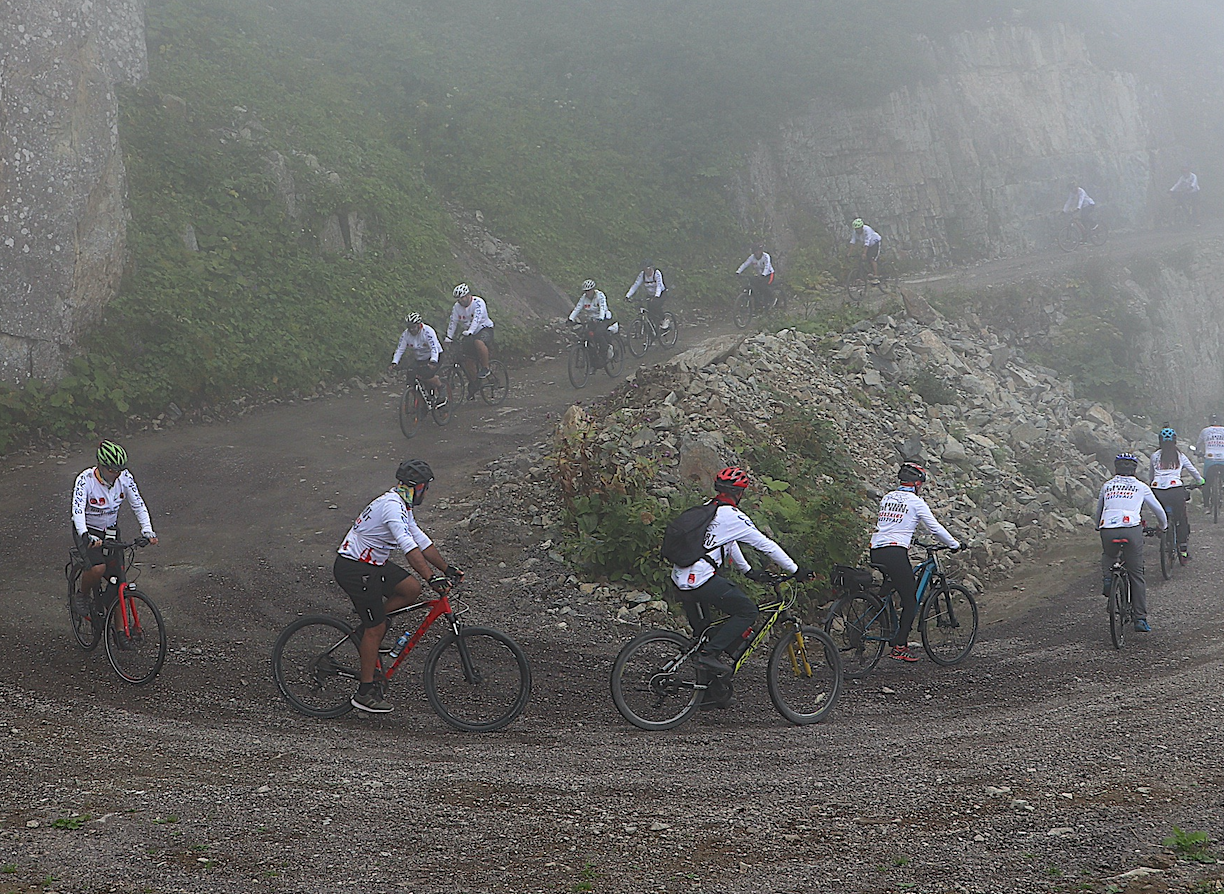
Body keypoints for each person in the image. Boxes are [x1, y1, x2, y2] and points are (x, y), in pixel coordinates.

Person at [333, 459, 463, 713]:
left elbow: (421, 540)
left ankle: (367, 633)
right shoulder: (391, 507)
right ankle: (364, 692)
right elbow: (408, 547)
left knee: (410, 589)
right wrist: (431, 577)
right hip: (354, 568)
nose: (427, 493)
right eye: (426, 487)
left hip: (371, 564)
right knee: (376, 626)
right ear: (418, 487)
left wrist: (445, 569)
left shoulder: (402, 504)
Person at [670, 466, 811, 676]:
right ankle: (708, 655)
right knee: (747, 611)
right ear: (740, 493)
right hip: (699, 579)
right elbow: (767, 545)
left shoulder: (708, 509)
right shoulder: (734, 516)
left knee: (705, 633)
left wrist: (747, 570)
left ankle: (712, 691)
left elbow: (727, 541)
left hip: (680, 577)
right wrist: (796, 569)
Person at [869, 462, 961, 663]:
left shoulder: (887, 497)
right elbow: (935, 529)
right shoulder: (916, 502)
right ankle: (899, 646)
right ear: (917, 484)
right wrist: (954, 544)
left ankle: (880, 608)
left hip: (876, 550)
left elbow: (893, 523)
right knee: (911, 599)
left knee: (899, 581)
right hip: (895, 551)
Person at [70, 440, 159, 618]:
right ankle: (82, 595)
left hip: (110, 530)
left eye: (119, 470)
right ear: (100, 466)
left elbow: (138, 504)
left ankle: (120, 632)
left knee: (119, 581)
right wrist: (85, 535)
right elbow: (77, 511)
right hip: (88, 530)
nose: (116, 474)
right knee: (98, 568)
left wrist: (147, 530)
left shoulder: (125, 477)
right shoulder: (85, 479)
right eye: (111, 470)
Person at [1096, 452, 1167, 633]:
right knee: (1136, 574)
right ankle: (1140, 619)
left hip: (1108, 529)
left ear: (1116, 468)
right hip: (1131, 528)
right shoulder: (1140, 486)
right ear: (1134, 469)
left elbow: (1099, 510)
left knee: (1109, 554)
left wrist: (1099, 526)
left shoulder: (1107, 485)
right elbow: (1158, 510)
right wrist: (1163, 526)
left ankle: (1107, 579)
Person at [1149, 428, 1203, 563]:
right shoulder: (1180, 455)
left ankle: (1163, 530)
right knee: (1181, 518)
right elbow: (1193, 470)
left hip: (1157, 491)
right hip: (1175, 489)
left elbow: (1151, 476)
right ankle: (1183, 549)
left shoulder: (1154, 456)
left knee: (1162, 516)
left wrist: (1151, 485)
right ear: (1175, 441)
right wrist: (1200, 481)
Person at [444, 283, 495, 400]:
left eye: (463, 297)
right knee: (467, 359)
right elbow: (453, 322)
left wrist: (471, 331)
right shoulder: (456, 307)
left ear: (468, 295)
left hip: (484, 328)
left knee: (478, 342)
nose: (461, 300)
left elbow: (476, 319)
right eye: (458, 299)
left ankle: (486, 367)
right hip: (468, 332)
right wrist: (449, 337)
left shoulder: (478, 303)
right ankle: (475, 382)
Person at [389, 312, 443, 400]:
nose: (412, 330)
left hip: (435, 356)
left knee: (426, 375)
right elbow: (400, 349)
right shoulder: (406, 334)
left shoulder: (428, 331)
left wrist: (433, 361)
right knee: (411, 378)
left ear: (419, 325)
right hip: (420, 358)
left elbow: (434, 348)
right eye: (409, 328)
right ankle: (420, 402)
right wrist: (395, 362)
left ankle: (441, 386)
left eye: (414, 327)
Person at [568, 279, 615, 363]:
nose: (587, 293)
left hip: (604, 318)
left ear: (593, 290)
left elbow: (603, 308)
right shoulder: (584, 298)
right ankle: (593, 360)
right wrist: (570, 319)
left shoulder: (600, 295)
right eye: (585, 291)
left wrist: (600, 318)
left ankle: (605, 349)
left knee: (598, 333)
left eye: (589, 291)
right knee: (586, 335)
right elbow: (577, 308)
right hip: (592, 319)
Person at [625, 260, 669, 331]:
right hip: (650, 295)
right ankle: (653, 331)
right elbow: (635, 285)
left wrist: (656, 296)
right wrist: (628, 296)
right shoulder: (642, 275)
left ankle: (664, 319)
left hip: (661, 293)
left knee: (656, 305)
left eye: (648, 269)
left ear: (651, 268)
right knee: (650, 314)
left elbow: (659, 286)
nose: (647, 271)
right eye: (645, 269)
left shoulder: (657, 273)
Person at [1196, 414, 1224, 511]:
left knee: (1207, 483)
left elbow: (1198, 444)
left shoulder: (1205, 431)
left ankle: (1206, 506)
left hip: (1210, 459)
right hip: (1223, 459)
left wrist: (1197, 452)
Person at [734, 243, 775, 310]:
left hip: (769, 274)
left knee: (764, 286)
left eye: (758, 250)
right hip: (759, 275)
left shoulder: (766, 256)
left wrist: (764, 274)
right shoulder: (752, 257)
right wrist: (738, 272)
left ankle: (771, 299)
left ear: (761, 250)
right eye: (755, 251)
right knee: (754, 288)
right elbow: (745, 264)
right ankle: (758, 305)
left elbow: (767, 266)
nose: (757, 252)